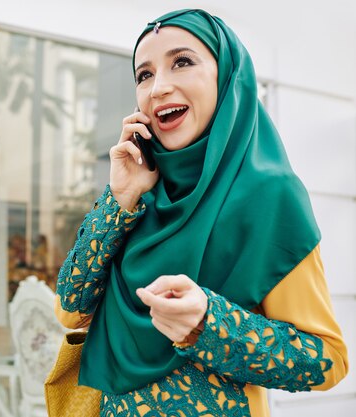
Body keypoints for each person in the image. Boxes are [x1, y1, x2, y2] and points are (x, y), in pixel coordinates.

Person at [54, 9, 348, 417]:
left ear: (226, 76)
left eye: (182, 62)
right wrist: (119, 198)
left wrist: (208, 324)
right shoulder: (140, 192)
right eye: (144, 74)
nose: (158, 88)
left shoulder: (270, 195)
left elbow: (326, 360)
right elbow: (70, 308)